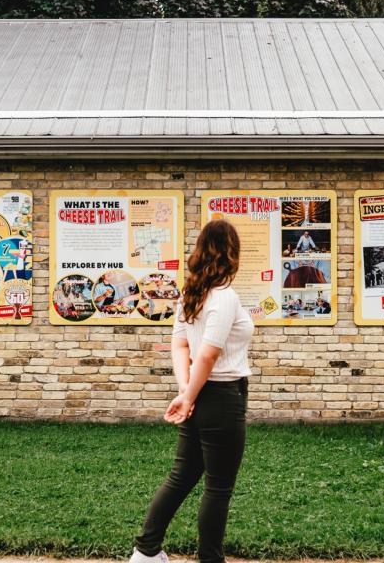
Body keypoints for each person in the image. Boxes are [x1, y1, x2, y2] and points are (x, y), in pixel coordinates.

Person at [131, 219, 254, 563]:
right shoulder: (224, 297)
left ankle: (146, 552)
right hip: (223, 398)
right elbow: (208, 354)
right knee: (218, 488)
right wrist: (188, 395)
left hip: (198, 395)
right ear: (232, 253)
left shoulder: (191, 294)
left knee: (182, 477)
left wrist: (187, 393)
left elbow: (181, 347)